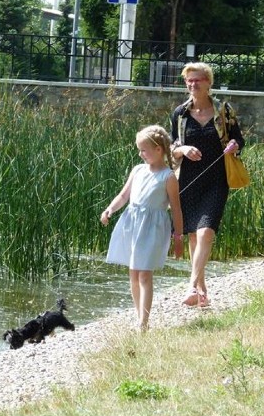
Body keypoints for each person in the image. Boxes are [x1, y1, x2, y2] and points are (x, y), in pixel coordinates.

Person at [170, 62, 245, 308]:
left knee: (205, 231)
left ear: (208, 82)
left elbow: (238, 139)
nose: (193, 84)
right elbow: (172, 145)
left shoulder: (224, 110)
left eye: (198, 80)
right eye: (189, 81)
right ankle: (202, 291)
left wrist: (233, 146)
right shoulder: (180, 114)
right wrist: (182, 148)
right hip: (188, 179)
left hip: (217, 179)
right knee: (193, 235)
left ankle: (191, 286)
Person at [100, 125, 184, 331]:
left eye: (144, 150)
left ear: (159, 150)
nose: (141, 154)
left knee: (145, 274)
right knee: (134, 274)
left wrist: (179, 237)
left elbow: (176, 209)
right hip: (132, 225)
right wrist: (110, 210)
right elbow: (123, 196)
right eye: (139, 150)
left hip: (153, 229)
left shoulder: (168, 177)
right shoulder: (137, 170)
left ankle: (143, 323)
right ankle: (139, 315)